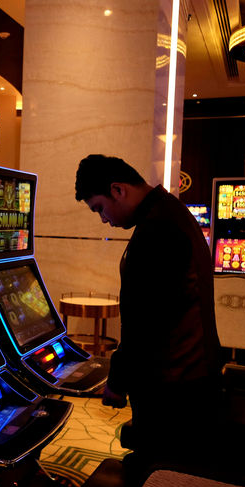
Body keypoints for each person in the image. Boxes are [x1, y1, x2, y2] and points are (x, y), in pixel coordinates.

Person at [74, 154, 223, 469]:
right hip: (191, 377)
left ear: (118, 189)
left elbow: (145, 323)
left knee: (153, 474)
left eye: (99, 207)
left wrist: (117, 382)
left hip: (176, 388)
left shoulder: (157, 229)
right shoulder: (168, 213)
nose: (103, 219)